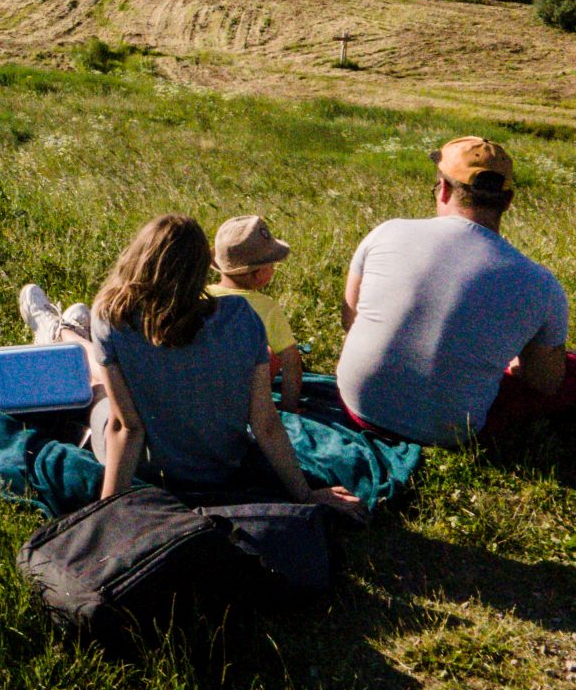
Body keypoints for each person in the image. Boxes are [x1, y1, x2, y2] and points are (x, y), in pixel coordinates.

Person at [23, 215, 362, 515]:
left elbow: (127, 428)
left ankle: (58, 331)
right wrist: (304, 494)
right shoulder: (243, 319)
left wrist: (106, 511)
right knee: (103, 371)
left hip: (147, 466)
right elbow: (266, 423)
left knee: (97, 385)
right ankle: (64, 331)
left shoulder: (112, 316)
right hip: (221, 466)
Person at [337, 136, 576, 446]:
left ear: (443, 189)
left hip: (357, 405)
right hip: (450, 433)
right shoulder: (540, 283)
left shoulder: (386, 232)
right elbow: (546, 382)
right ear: (508, 201)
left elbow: (349, 319)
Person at [209, 214, 303, 412]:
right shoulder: (266, 307)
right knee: (275, 351)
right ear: (259, 274)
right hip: (243, 393)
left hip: (202, 387)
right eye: (272, 265)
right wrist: (290, 406)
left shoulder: (202, 295)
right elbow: (291, 360)